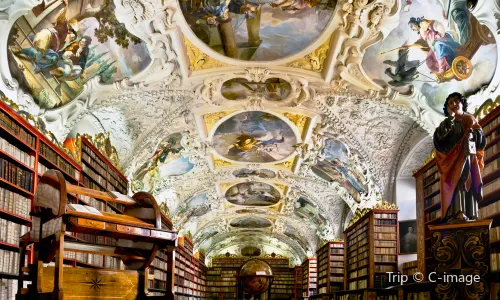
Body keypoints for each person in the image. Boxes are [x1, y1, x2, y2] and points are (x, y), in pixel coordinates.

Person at [433, 92, 486, 223]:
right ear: (448, 108)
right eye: (450, 103)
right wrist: (450, 121)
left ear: (462, 103)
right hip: (451, 160)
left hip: (466, 156)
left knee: (465, 179)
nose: (454, 104)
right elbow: (439, 142)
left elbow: (480, 138)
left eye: (456, 101)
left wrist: (472, 136)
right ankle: (455, 213)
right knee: (454, 183)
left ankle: (469, 211)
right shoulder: (445, 123)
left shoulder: (469, 119)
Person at [17, 0, 79, 72]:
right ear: (70, 31)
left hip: (46, 43)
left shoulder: (62, 43)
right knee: (38, 54)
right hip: (46, 36)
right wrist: (66, 6)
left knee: (43, 57)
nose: (72, 38)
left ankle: (34, 63)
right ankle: (20, 51)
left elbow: (53, 51)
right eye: (73, 35)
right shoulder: (64, 28)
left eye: (73, 39)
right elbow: (62, 17)